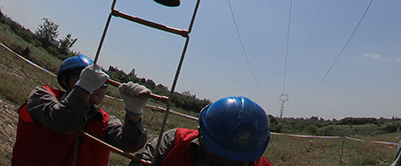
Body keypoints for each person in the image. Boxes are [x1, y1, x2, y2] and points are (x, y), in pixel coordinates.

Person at [11, 54, 150, 166]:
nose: (97, 87)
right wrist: (84, 87)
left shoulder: (106, 121)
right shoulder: (41, 96)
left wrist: (134, 112)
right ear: (65, 80)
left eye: (103, 85)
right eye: (85, 78)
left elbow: (129, 144)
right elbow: (63, 121)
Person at [132, 96, 273, 166]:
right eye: (217, 155)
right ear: (201, 134)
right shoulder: (174, 141)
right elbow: (142, 161)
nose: (224, 161)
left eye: (234, 160)